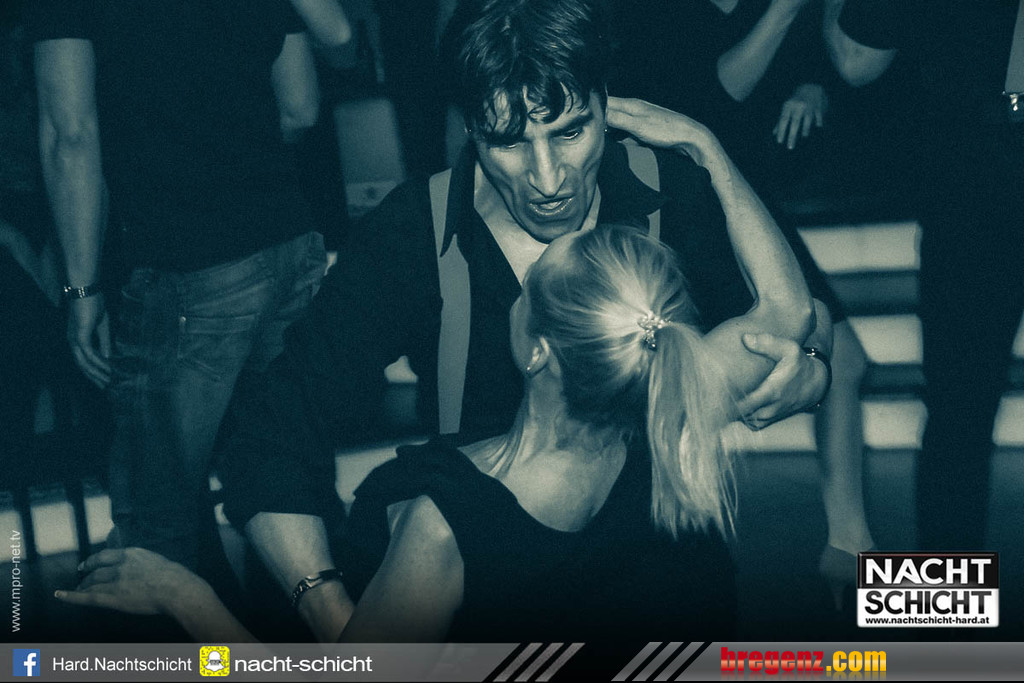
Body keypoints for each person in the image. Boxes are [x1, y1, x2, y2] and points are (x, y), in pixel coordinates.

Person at [58, 98, 817, 644]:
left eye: (537, 286)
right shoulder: (668, 403)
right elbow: (787, 311)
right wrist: (706, 145)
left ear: (539, 350)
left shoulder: (449, 521)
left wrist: (189, 599)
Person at [213, 0, 832, 641]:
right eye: (509, 141)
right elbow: (273, 433)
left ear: (606, 104)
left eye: (569, 132)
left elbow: (799, 322)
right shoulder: (413, 232)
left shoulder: (669, 188)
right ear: (469, 129)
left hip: (665, 589)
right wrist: (327, 608)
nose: (548, 179)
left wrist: (813, 370)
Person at [29, 1, 331, 575]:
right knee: (286, 477)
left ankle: (197, 635)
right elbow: (301, 107)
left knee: (155, 520)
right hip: (291, 241)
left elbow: (71, 135)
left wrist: (81, 290)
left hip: (190, 261)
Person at [611, 0, 874, 604]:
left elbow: (831, 64)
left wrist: (812, 87)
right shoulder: (659, 14)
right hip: (690, 201)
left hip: (748, 198)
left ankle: (849, 540)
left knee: (844, 360)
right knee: (677, 373)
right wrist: (783, 9)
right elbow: (713, 97)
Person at [825, 0, 1024, 553]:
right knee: (960, 408)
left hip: (977, 171)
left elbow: (855, 59)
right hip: (978, 172)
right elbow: (857, 59)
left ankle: (944, 601)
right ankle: (944, 598)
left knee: (959, 409)